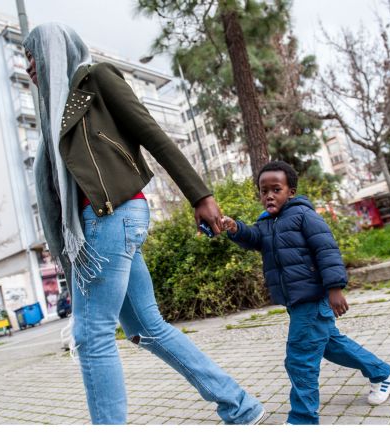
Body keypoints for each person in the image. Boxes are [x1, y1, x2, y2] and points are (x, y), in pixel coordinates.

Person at [22, 23, 264, 425]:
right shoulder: (54, 112)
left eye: (33, 55)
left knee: (91, 335)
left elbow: (151, 133)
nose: (29, 65)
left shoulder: (95, 79)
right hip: (104, 224)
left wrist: (201, 197)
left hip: (110, 217)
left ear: (54, 50)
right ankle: (240, 405)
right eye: (25, 57)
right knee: (146, 327)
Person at [221, 161, 390, 425]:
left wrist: (335, 288)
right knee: (330, 345)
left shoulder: (304, 216)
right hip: (296, 300)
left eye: (276, 189)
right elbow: (255, 239)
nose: (268, 195)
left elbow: (326, 250)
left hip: (312, 298)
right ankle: (383, 374)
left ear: (290, 192)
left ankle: (303, 420)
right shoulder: (267, 222)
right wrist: (235, 228)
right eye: (263, 190)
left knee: (299, 359)